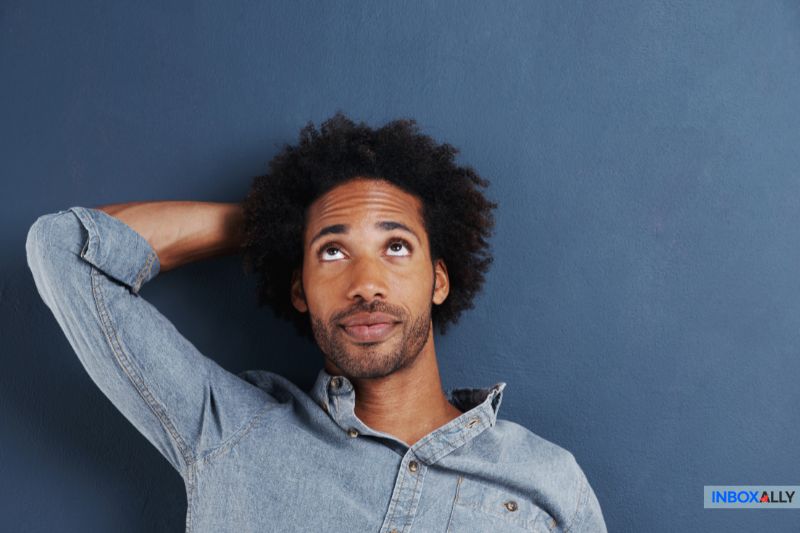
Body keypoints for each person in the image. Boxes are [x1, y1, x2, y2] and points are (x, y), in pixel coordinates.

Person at [25, 112, 607, 532]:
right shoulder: (230, 432)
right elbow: (65, 250)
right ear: (300, 288)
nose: (366, 283)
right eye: (332, 251)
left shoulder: (546, 480)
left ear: (439, 279)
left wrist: (309, 232)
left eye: (397, 246)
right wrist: (273, 227)